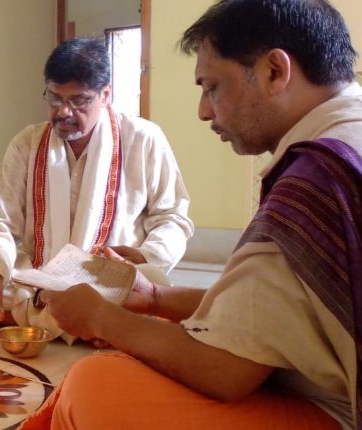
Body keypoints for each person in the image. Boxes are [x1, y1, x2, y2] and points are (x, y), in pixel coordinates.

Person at [19, 1, 362, 429]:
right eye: (56, 98)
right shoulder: (29, 142)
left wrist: (101, 317)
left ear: (275, 71)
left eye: (212, 87)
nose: (204, 111)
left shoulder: (314, 178)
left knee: (94, 382)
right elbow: (274, 314)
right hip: (54, 281)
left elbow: (227, 368)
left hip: (336, 412)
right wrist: (154, 297)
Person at [0, 37, 193, 327]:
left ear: (106, 95)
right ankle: (86, 324)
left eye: (79, 101)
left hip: (106, 279)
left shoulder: (144, 138)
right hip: (39, 276)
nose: (63, 112)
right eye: (55, 98)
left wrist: (146, 256)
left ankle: (26, 316)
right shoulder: (27, 143)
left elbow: (173, 217)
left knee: (155, 280)